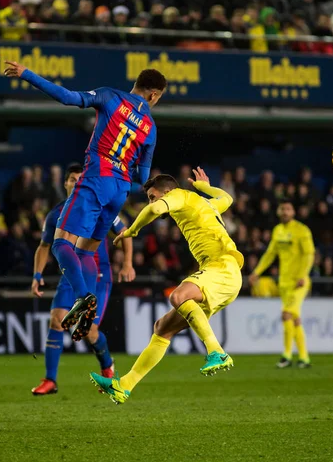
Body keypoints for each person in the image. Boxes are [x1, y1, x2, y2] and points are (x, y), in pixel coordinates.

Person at [4, 61, 167, 341]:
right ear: (153, 95)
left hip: (96, 180)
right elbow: (142, 176)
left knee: (60, 243)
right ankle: (88, 309)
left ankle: (83, 299)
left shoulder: (110, 96)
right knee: (86, 251)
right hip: (120, 191)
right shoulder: (150, 127)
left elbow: (68, 97)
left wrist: (26, 74)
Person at [89, 167, 244, 405]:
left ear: (167, 192)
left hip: (222, 267)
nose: (152, 201)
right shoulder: (205, 204)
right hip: (225, 275)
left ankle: (217, 352)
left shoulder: (178, 195)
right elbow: (227, 198)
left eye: (153, 195)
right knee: (162, 328)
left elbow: (155, 209)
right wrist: (204, 187)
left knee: (178, 296)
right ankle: (124, 386)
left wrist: (132, 231)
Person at [31, 164, 134, 396]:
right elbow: (44, 246)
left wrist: (127, 263)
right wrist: (37, 276)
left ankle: (107, 367)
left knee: (90, 331)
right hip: (71, 276)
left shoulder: (100, 205)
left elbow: (124, 233)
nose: (76, 182)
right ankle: (50, 380)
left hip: (97, 275)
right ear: (66, 184)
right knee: (56, 320)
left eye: (80, 178)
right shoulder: (55, 215)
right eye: (72, 179)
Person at [250, 200, 315, 369]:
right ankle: (304, 358)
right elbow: (270, 254)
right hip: (284, 282)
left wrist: (303, 275)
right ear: (279, 212)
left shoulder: (301, 230)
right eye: (283, 209)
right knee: (295, 319)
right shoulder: (278, 231)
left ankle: (286, 356)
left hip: (299, 282)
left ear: (293, 212)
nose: (285, 212)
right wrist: (257, 272)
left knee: (286, 314)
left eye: (288, 209)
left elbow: (309, 254)